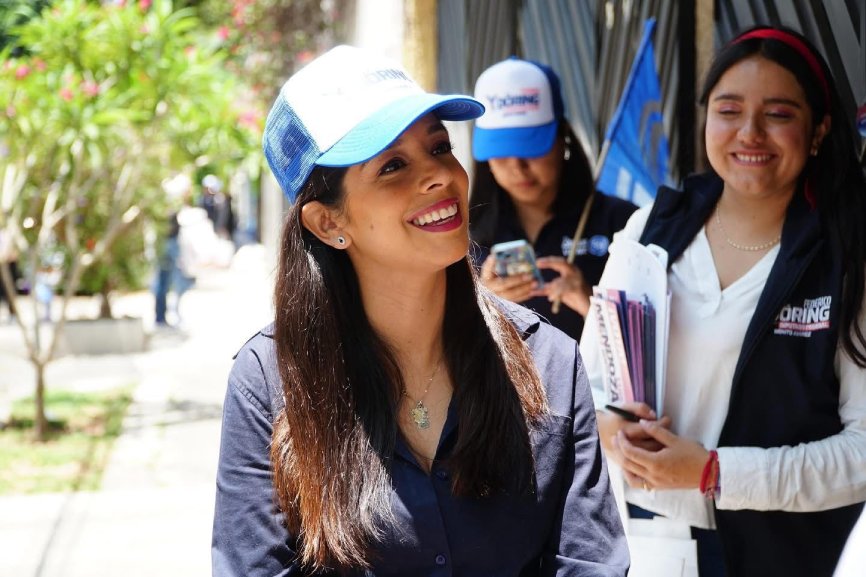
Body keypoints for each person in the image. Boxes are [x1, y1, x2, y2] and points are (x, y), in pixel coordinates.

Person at [211, 45, 628, 576]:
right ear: (327, 223)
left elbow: (590, 563)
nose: (438, 176)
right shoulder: (268, 381)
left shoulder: (550, 363)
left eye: (439, 147)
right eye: (392, 166)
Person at [581, 26, 866, 576]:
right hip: (644, 543)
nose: (750, 133)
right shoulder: (653, 230)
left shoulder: (847, 256)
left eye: (778, 114)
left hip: (786, 554)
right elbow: (587, 384)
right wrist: (610, 429)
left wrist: (715, 473)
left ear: (818, 130)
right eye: (729, 110)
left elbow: (861, 453)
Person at [469, 57, 637, 341]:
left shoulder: (623, 224)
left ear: (563, 139)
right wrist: (482, 307)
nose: (518, 167)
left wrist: (590, 304)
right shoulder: (463, 238)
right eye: (501, 152)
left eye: (531, 148)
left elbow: (648, 346)